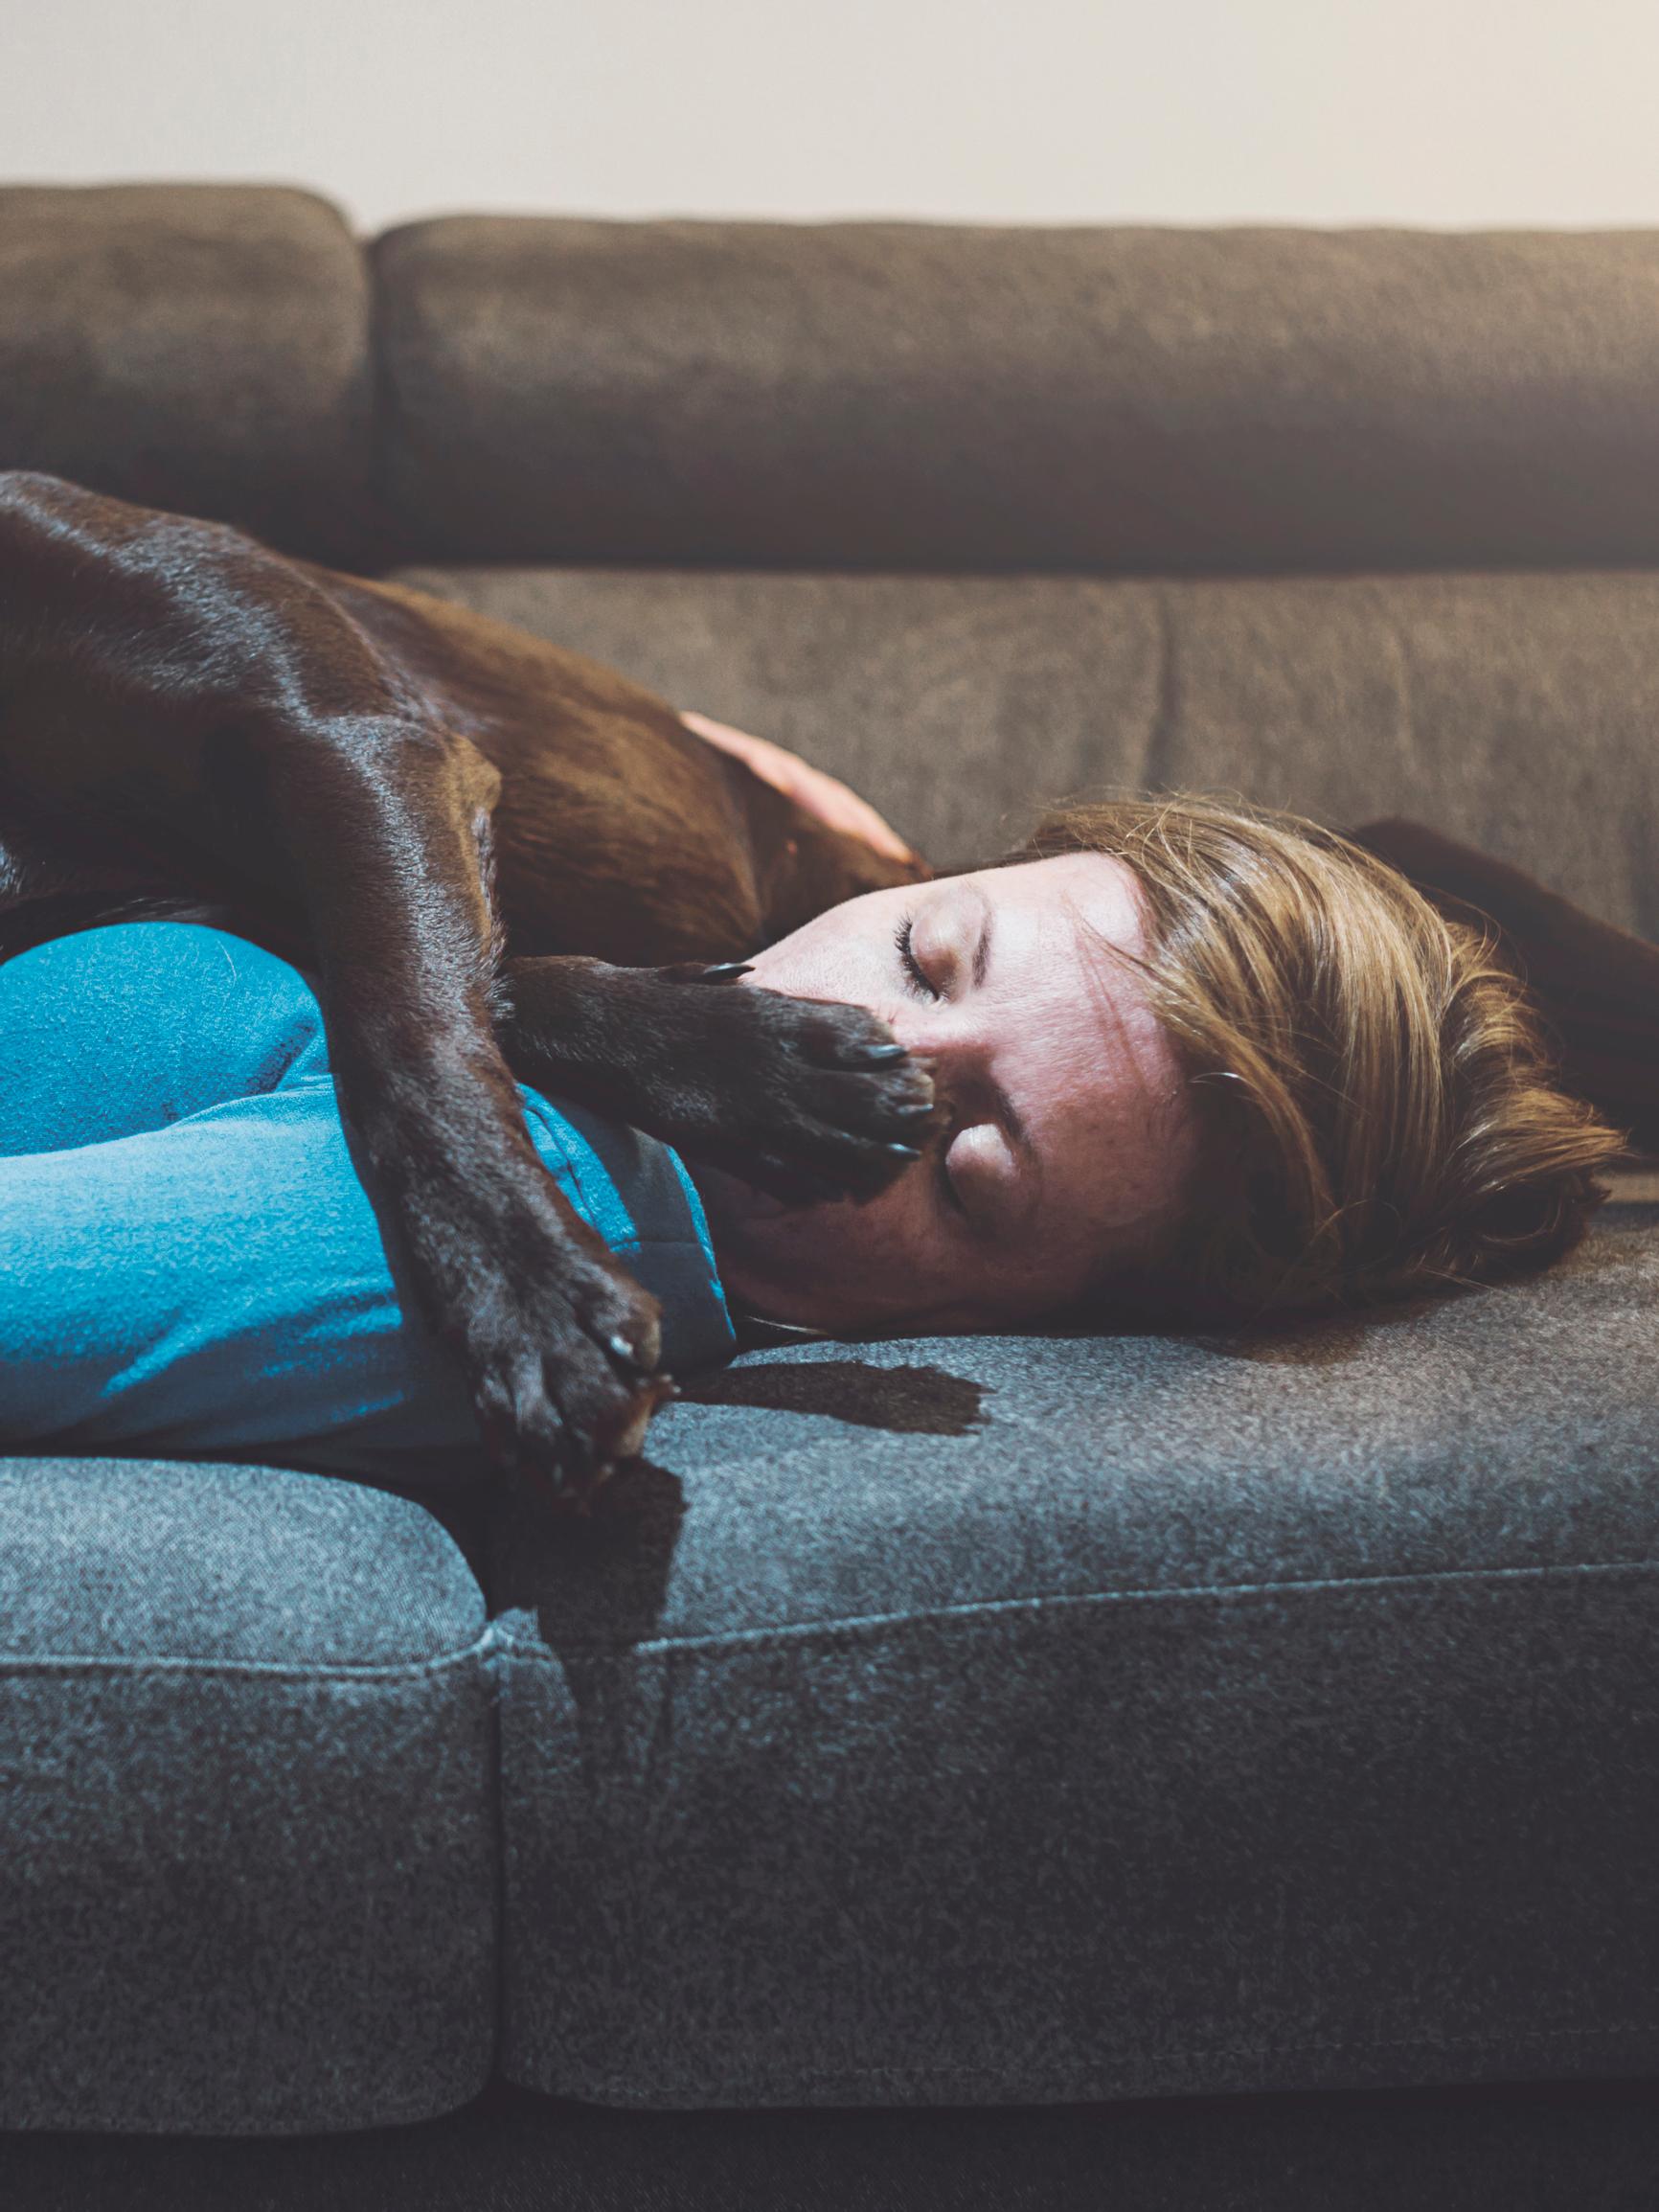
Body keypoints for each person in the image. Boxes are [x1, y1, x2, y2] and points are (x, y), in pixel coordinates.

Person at [0, 727, 1628, 1482]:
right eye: (930, 952)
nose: (836, 1039)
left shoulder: (532, 1221)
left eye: (964, 1172)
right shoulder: (574, 1042)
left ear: (1036, 1325)